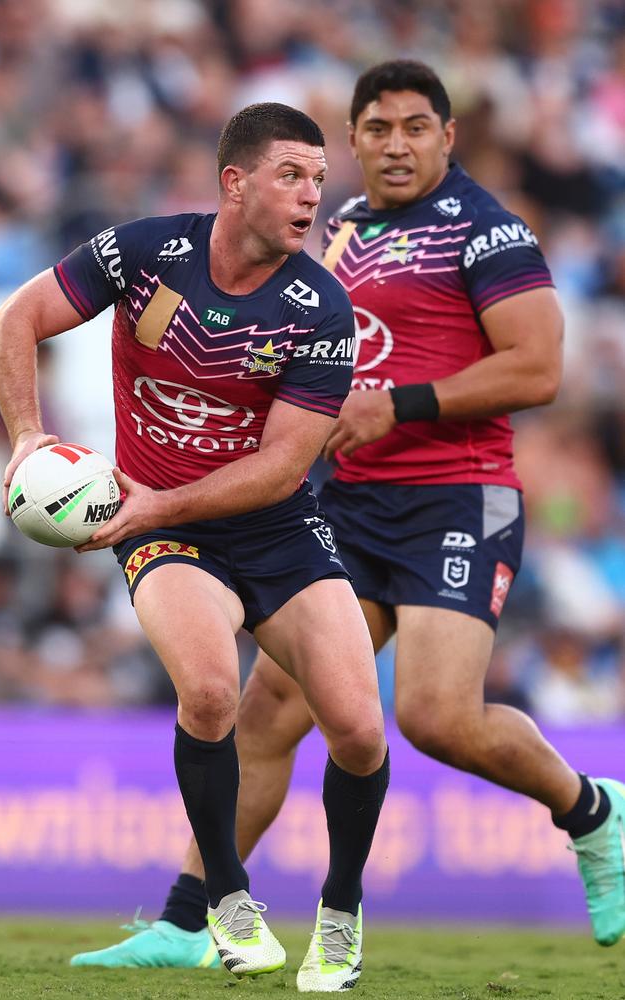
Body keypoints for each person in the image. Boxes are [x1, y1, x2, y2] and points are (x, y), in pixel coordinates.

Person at [74, 60, 624, 970]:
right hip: (348, 498)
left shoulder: (490, 232)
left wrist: (398, 405)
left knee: (435, 716)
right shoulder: (346, 228)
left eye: (416, 127)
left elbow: (539, 369)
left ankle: (591, 811)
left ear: (449, 137)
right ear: (354, 138)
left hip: (455, 494)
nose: (396, 144)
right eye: (377, 128)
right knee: (269, 711)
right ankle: (183, 922)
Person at [0, 102, 390, 992]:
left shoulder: (319, 304)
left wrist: (161, 499)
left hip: (271, 525)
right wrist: (24, 438)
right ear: (234, 183)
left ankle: (341, 912)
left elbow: (285, 467)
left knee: (359, 731)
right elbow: (9, 322)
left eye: (320, 179)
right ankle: (228, 903)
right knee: (209, 693)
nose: (312, 195)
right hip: (164, 530)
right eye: (292, 175)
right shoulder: (146, 253)